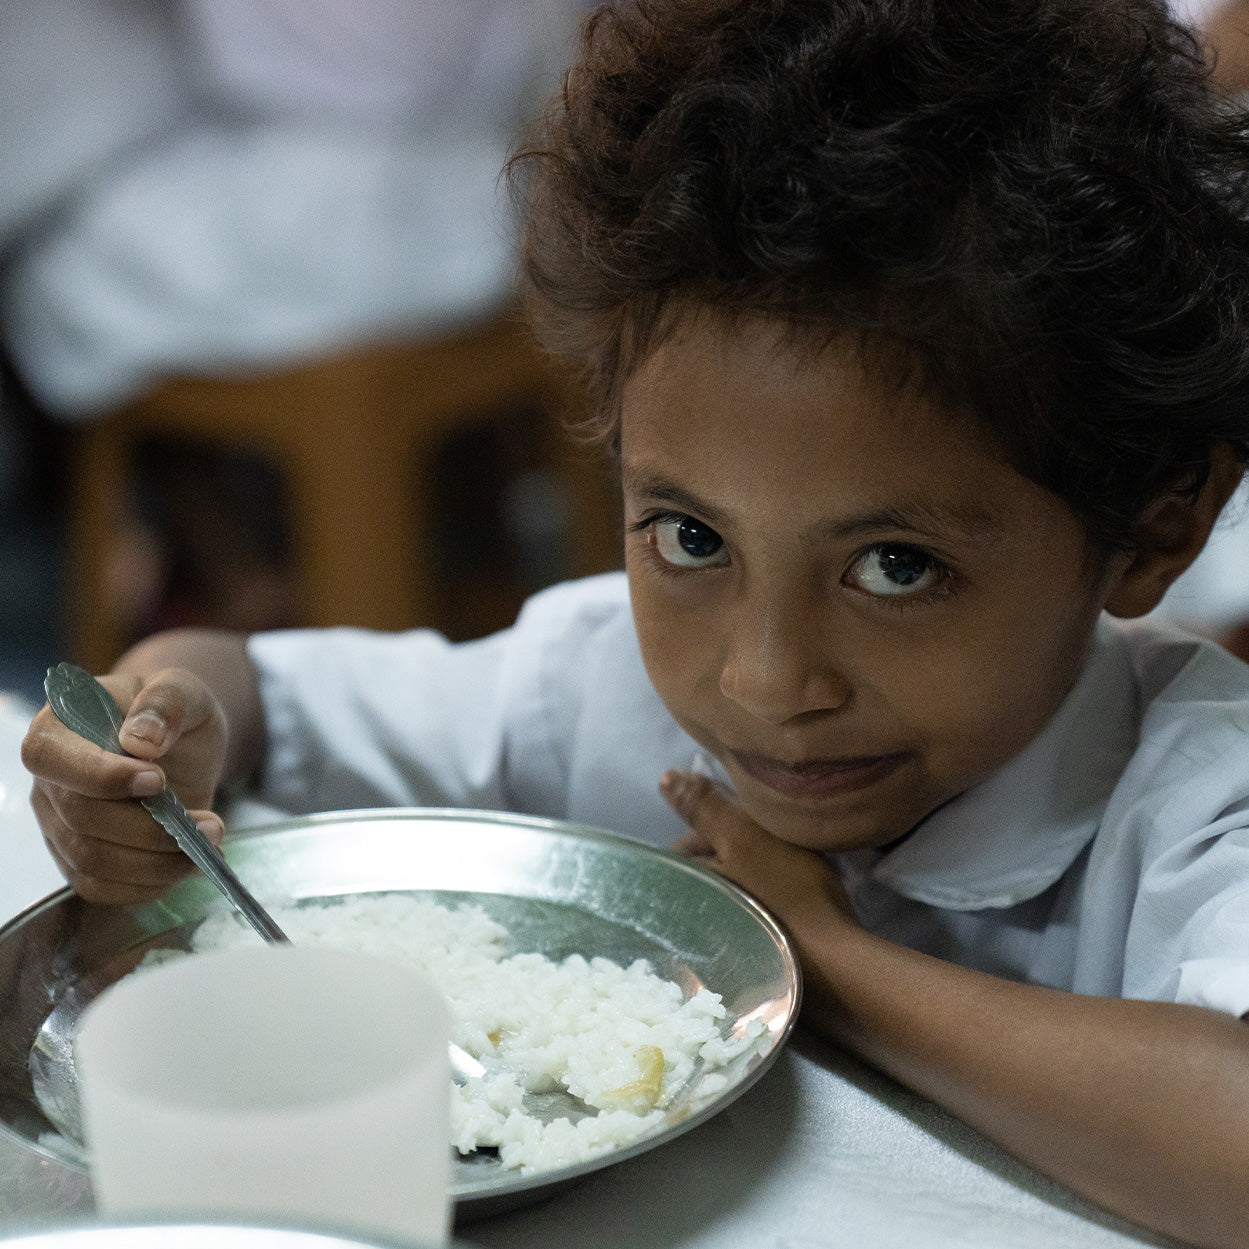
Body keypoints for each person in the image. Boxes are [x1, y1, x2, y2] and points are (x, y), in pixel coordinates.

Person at [20, 2, 1249, 1245]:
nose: (765, 680)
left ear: (1154, 529)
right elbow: (258, 698)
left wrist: (823, 959)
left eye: (894, 566)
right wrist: (159, 728)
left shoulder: (1196, 798)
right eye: (692, 538)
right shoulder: (596, 678)